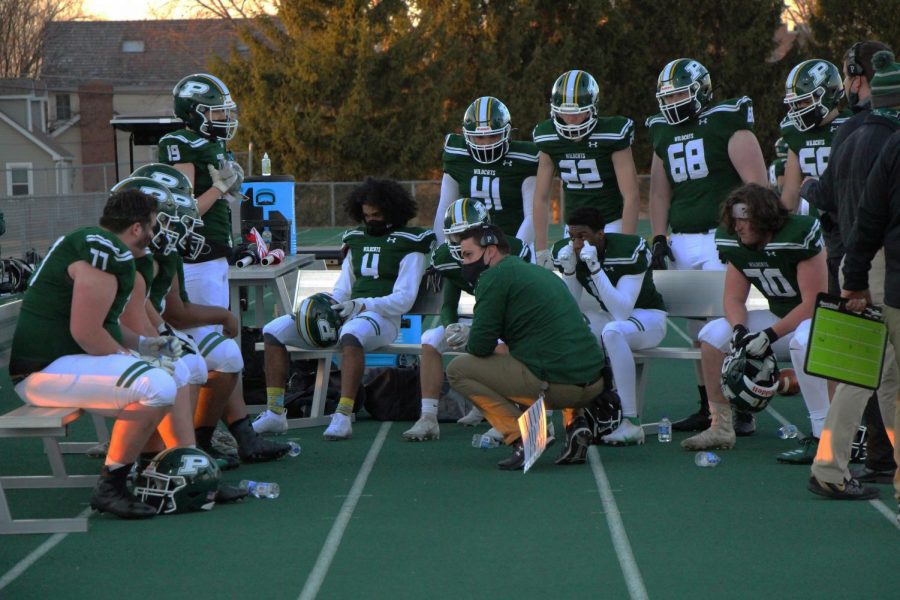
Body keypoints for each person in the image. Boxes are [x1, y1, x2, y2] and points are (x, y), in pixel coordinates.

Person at [9, 189, 179, 519]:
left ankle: (151, 466)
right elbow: (86, 334)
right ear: (135, 228)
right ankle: (111, 484)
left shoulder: (105, 248)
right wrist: (134, 357)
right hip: (43, 370)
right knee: (156, 384)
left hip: (64, 362)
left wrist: (150, 346)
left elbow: (107, 328)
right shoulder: (103, 250)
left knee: (173, 366)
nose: (154, 235)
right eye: (152, 226)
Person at [160, 74, 290, 463]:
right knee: (210, 352)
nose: (223, 118)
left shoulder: (214, 144)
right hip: (193, 259)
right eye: (215, 111)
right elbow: (180, 210)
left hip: (213, 256)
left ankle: (241, 434)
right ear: (192, 112)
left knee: (224, 349)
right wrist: (219, 189)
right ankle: (199, 438)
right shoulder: (178, 143)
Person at [645, 58, 768, 436]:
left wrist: (743, 233)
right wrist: (659, 236)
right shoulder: (663, 131)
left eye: (680, 93)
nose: (673, 103)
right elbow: (659, 191)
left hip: (721, 236)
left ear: (700, 91)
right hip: (683, 237)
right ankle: (708, 405)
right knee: (698, 327)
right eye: (668, 96)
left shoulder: (726, 122)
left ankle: (740, 402)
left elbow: (758, 186)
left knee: (726, 323)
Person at [260, 177, 435, 440]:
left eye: (377, 214)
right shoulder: (356, 239)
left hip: (383, 319)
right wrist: (329, 303)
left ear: (393, 211)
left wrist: (361, 304)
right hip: (351, 312)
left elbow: (404, 299)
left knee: (351, 333)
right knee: (273, 330)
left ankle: (342, 415)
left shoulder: (411, 244)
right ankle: (275, 413)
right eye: (366, 215)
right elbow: (343, 287)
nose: (371, 220)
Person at [801, 43, 899, 488]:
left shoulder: (850, 133)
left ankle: (832, 464)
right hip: (884, 266)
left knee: (867, 377)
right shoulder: (890, 143)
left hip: (852, 263)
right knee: (879, 378)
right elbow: (877, 214)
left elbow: (828, 198)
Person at [683, 183, 830, 461]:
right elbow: (734, 298)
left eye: (743, 219)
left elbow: (814, 303)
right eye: (734, 220)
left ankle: (822, 434)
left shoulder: (797, 234)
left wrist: (769, 335)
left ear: (763, 216)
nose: (737, 227)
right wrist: (739, 330)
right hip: (780, 319)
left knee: (802, 342)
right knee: (714, 335)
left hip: (820, 320)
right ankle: (721, 426)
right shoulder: (736, 243)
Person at [445, 224, 607, 470]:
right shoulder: (540, 273)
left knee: (458, 369)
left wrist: (469, 335)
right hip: (594, 382)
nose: (465, 263)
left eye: (468, 255)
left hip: (559, 386)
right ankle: (575, 422)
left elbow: (479, 346)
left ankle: (524, 437)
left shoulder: (494, 277)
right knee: (534, 353)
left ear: (490, 252)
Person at [402, 198, 532, 441]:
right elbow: (448, 303)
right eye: (456, 235)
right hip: (486, 316)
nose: (461, 242)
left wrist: (479, 330)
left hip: (511, 318)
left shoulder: (510, 250)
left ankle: (506, 412)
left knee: (502, 345)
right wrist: (451, 326)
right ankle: (428, 417)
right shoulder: (447, 258)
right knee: (430, 339)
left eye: (467, 234)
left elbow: (519, 301)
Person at [551, 207, 667, 445]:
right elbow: (571, 306)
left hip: (647, 317)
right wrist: (570, 272)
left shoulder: (628, 249)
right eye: (572, 237)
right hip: (612, 319)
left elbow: (622, 311)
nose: (576, 243)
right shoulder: (571, 250)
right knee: (570, 332)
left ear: (601, 234)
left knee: (612, 333)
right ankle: (571, 415)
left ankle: (631, 423)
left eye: (582, 236)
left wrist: (594, 268)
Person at [532, 69, 640, 269]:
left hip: (610, 224)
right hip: (572, 228)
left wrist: (627, 243)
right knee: (572, 281)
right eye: (565, 111)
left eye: (577, 112)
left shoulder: (612, 134)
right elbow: (540, 196)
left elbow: (631, 195)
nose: (571, 119)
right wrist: (540, 248)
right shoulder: (548, 137)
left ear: (593, 108)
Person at [435, 96, 539, 245]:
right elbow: (444, 207)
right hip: (469, 247)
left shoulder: (525, 159)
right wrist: (441, 248)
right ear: (467, 135)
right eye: (479, 137)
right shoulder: (457, 156)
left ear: (506, 132)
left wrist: (515, 251)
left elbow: (532, 215)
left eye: (493, 135)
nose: (486, 144)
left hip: (512, 239)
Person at [779, 59, 851, 214]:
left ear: (829, 94)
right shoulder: (794, 132)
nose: (800, 109)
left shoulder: (852, 125)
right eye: (796, 104)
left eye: (805, 101)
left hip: (846, 218)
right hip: (814, 225)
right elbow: (790, 195)